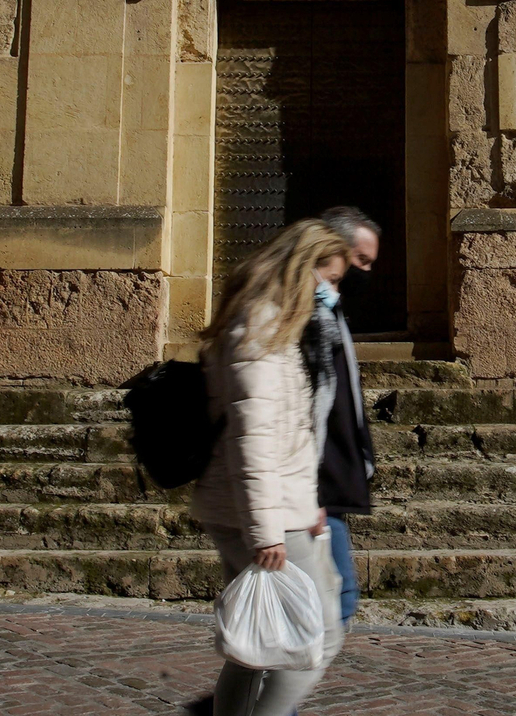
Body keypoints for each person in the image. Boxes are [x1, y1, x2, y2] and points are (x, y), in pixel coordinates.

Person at [189, 219, 351, 716]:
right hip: (266, 515)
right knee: (317, 640)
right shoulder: (259, 327)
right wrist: (267, 532)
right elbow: (252, 440)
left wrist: (310, 502)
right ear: (303, 270)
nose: (334, 291)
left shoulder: (266, 320)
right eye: (330, 279)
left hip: (268, 507)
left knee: (255, 645)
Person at [310, 206, 380, 627]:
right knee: (340, 600)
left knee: (338, 602)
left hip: (331, 482)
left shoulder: (330, 313)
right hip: (317, 487)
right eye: (362, 262)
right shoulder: (307, 318)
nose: (366, 273)